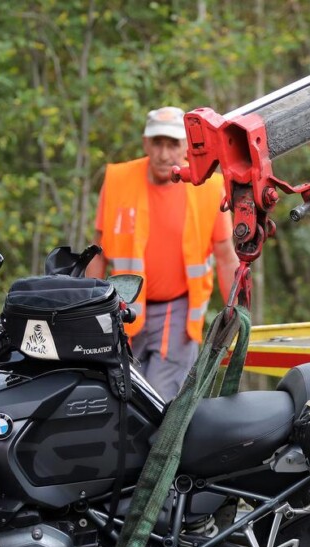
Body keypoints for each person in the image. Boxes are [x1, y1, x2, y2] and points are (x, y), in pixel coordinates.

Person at [85, 105, 239, 400]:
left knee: (158, 400)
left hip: (177, 314)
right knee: (120, 397)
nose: (164, 153)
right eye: (157, 143)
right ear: (145, 143)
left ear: (186, 147)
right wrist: (86, 306)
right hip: (123, 310)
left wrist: (236, 310)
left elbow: (225, 255)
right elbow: (99, 252)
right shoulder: (118, 180)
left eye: (172, 144)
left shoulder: (210, 187)